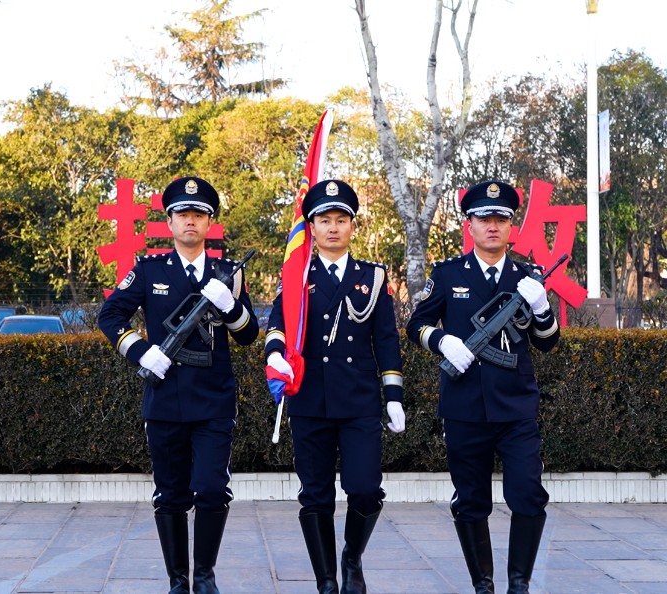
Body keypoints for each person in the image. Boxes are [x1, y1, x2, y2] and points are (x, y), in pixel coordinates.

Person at [97, 176, 259, 594]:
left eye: (198, 214)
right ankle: (178, 581)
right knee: (170, 494)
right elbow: (110, 317)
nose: (190, 221)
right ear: (169, 222)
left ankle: (204, 576)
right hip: (165, 400)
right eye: (182, 214)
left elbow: (247, 335)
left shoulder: (227, 274)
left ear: (209, 223)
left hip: (214, 402)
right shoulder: (150, 271)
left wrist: (233, 307)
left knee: (210, 489)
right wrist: (139, 350)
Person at [405, 180, 560, 594]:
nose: (492, 225)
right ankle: (483, 585)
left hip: (516, 409)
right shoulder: (448, 274)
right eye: (483, 218)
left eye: (501, 219)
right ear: (469, 225)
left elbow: (547, 341)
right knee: (471, 501)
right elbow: (415, 324)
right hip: (464, 408)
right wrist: (441, 341)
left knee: (528, 495)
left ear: (511, 227)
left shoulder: (527, 277)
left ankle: (519, 584)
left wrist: (542, 306)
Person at [264, 179, 405, 594]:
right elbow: (277, 324)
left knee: (365, 490)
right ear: (312, 226)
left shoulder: (373, 277)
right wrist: (274, 354)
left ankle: (352, 555)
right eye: (324, 220)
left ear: (352, 226)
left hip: (359, 401)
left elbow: (386, 340)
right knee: (316, 495)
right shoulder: (297, 275)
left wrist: (393, 396)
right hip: (310, 400)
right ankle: (327, 580)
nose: (332, 228)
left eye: (340, 220)